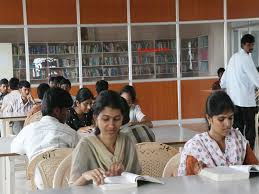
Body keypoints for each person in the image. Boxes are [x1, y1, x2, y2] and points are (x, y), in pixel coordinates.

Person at [11, 87, 79, 189]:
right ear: (57, 111)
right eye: (66, 110)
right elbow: (80, 157)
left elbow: (14, 149)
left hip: (40, 185)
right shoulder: (71, 133)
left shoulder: (28, 130)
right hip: (66, 185)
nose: (68, 113)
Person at [69, 90, 141, 186]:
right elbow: (72, 188)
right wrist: (84, 177)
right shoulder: (85, 146)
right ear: (95, 118)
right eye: (105, 119)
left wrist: (123, 176)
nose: (111, 125)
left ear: (122, 119)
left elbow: (138, 179)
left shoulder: (127, 141)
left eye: (116, 119)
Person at [178, 91, 258, 176]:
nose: (228, 124)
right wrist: (199, 175)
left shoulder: (238, 139)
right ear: (209, 118)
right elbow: (188, 184)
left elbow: (255, 168)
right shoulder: (196, 147)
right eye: (221, 119)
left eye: (230, 118)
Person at [220, 34, 259, 149]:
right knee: (250, 129)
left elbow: (223, 80)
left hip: (234, 101)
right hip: (246, 101)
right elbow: (255, 78)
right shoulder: (246, 58)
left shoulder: (233, 57)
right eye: (249, 45)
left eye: (252, 44)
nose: (251, 47)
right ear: (243, 45)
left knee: (237, 128)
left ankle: (238, 151)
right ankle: (249, 153)